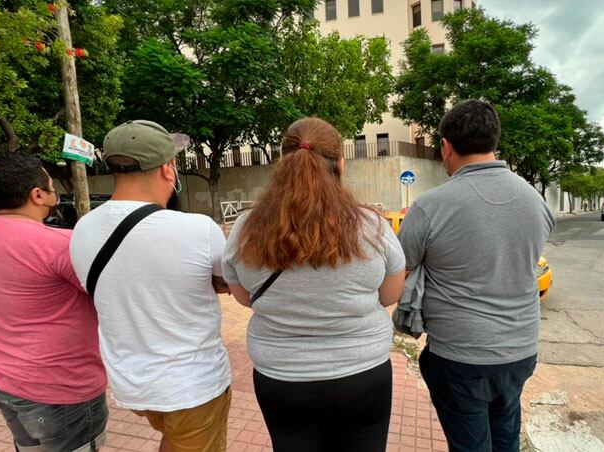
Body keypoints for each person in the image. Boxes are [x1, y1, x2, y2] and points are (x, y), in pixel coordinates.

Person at [222, 117, 406, 452]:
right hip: (362, 376)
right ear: (340, 164)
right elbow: (390, 295)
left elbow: (244, 298)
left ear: (282, 163)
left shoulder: (246, 227)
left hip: (282, 380)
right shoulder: (373, 227)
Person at [398, 100, 555, 452]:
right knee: (505, 437)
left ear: (446, 146)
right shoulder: (535, 201)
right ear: (493, 142)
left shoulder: (430, 205)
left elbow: (398, 269)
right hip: (520, 351)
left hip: (460, 357)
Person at [70, 120, 232, 452]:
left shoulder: (83, 229)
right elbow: (226, 282)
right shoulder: (199, 229)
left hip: (133, 384)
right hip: (192, 387)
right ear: (167, 169)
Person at [0, 154, 108, 451]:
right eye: (51, 187)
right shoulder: (59, 244)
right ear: (37, 195)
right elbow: (111, 295)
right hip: (59, 389)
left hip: (1, 380)